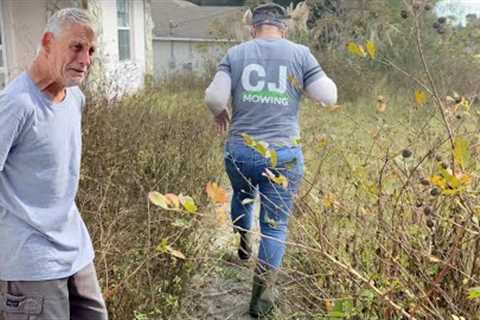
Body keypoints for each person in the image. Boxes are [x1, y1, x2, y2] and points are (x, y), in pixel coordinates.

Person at [205, 3, 337, 318]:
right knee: (275, 227)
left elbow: (213, 97)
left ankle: (242, 238)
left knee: (242, 196)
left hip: (241, 152)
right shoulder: (300, 54)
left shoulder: (236, 54)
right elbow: (328, 96)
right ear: (284, 28)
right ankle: (262, 299)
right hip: (283, 155)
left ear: (253, 28)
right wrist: (305, 88)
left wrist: (219, 111)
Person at [0, 8, 108, 320]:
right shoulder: (15, 104)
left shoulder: (75, 99)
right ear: (48, 42)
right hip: (30, 264)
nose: (86, 60)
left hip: (75, 251)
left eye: (91, 51)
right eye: (76, 47)